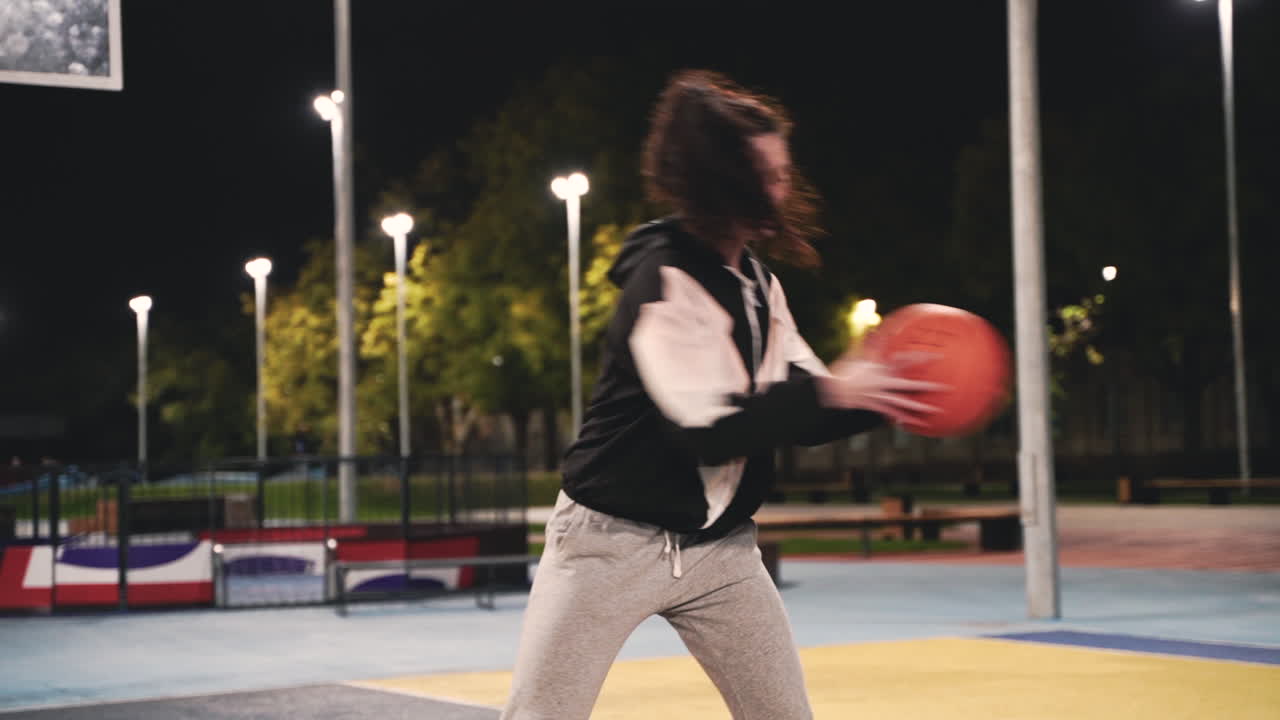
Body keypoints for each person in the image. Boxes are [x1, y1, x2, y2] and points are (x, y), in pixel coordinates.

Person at [501, 69, 942, 720]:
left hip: (720, 554)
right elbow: (708, 429)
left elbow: (805, 400)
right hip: (608, 545)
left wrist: (877, 394)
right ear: (722, 184)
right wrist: (835, 393)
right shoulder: (663, 286)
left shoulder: (759, 284)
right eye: (769, 174)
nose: (784, 185)